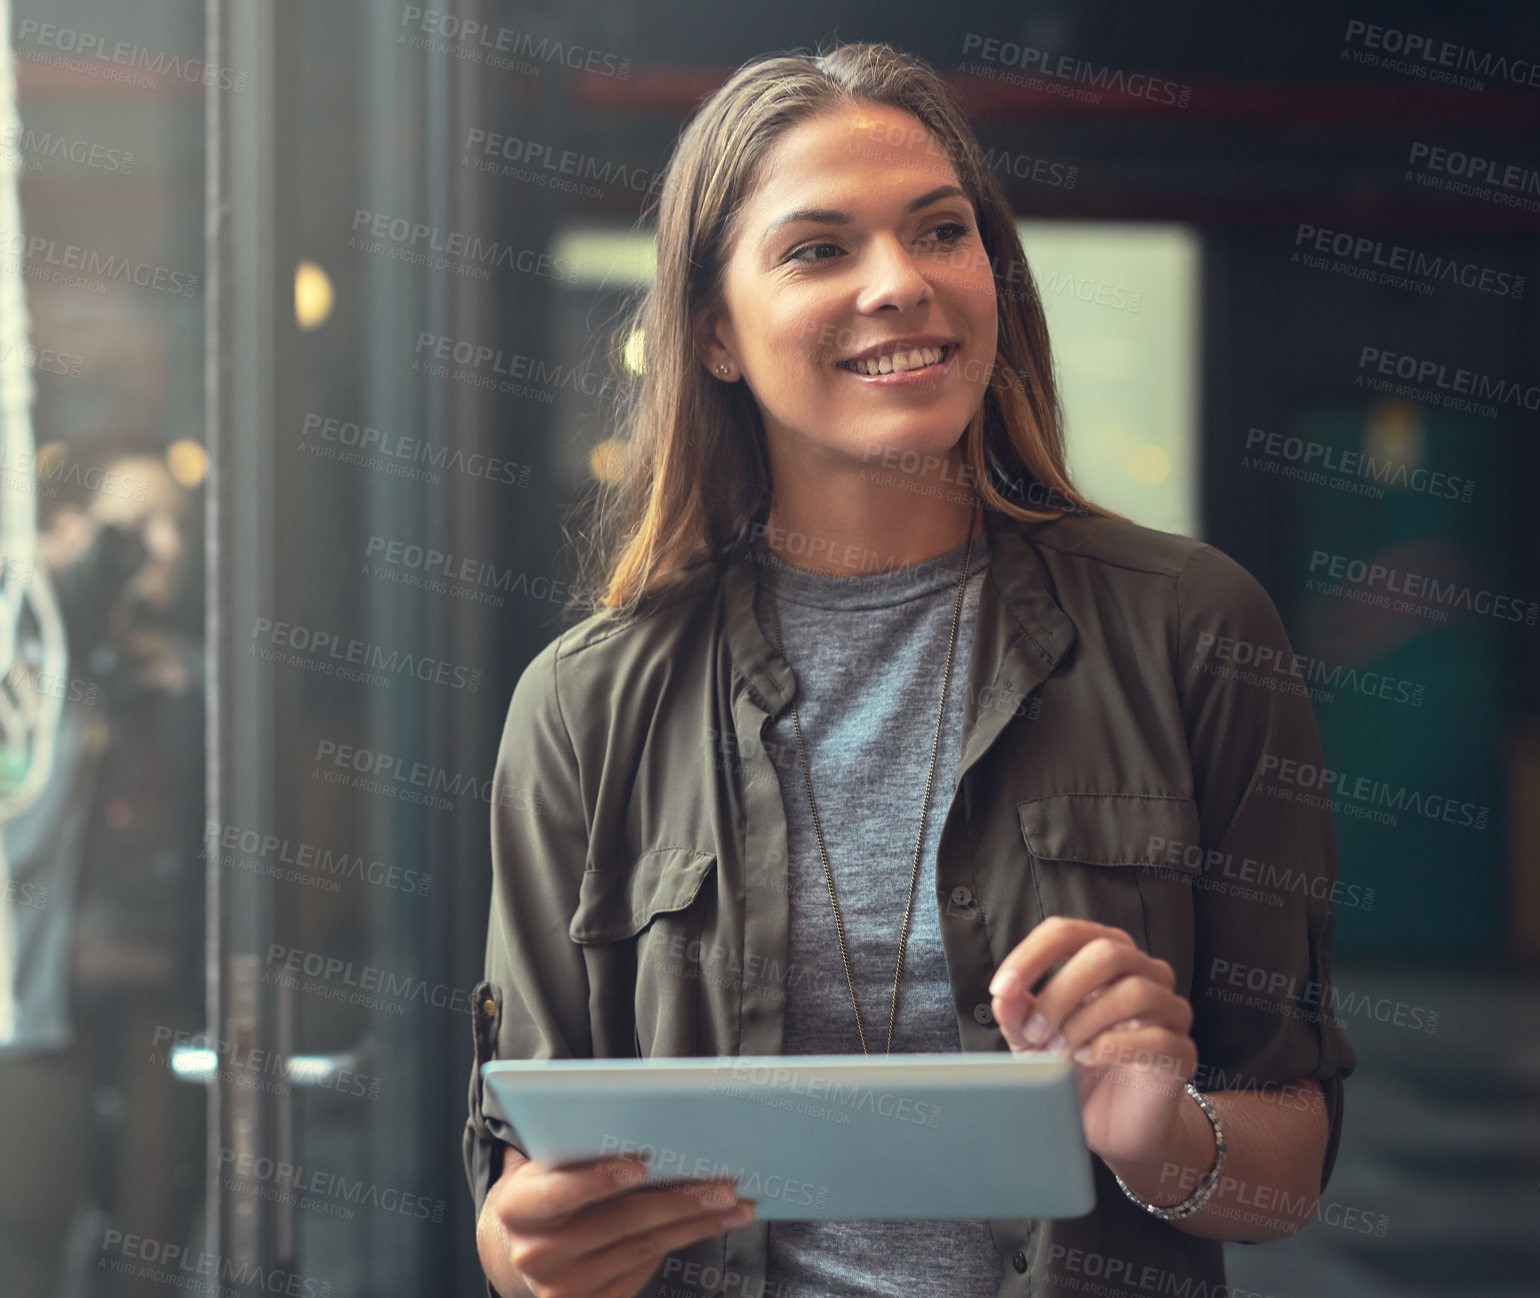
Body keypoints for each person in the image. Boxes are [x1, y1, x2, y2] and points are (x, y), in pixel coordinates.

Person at [464, 40, 1355, 1298]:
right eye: (819, 248)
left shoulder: (1193, 628)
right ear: (715, 330)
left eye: (940, 231)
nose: (901, 283)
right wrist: (530, 1247)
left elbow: (1286, 1173)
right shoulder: (583, 704)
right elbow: (517, 1203)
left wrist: (1162, 1131)